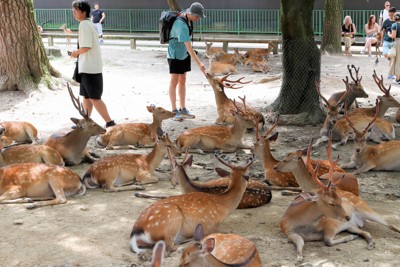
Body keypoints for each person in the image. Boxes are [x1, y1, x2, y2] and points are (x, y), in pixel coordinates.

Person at [70, 0, 115, 128]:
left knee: (94, 97)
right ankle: (85, 121)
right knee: (87, 96)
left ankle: (110, 122)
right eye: (73, 11)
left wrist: (75, 53)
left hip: (89, 68)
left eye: (76, 10)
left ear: (84, 11)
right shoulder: (88, 24)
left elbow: (86, 47)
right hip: (89, 67)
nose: (74, 13)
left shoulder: (84, 25)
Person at [167, 2, 206, 120]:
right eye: (196, 16)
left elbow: (187, 50)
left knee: (183, 80)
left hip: (183, 54)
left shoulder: (188, 19)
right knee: (174, 81)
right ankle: (174, 111)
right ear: (190, 13)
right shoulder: (181, 25)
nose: (197, 19)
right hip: (175, 55)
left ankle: (182, 108)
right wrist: (200, 64)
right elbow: (190, 48)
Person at [381, 6, 396, 73]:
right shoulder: (386, 21)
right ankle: (389, 58)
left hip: (394, 41)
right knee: (385, 53)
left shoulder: (396, 21)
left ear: (394, 13)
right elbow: (383, 31)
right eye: (389, 13)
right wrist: (381, 40)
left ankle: (390, 73)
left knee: (392, 58)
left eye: (391, 13)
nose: (390, 14)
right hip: (386, 40)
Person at [388, 12, 400, 84]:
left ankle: (398, 79)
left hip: (397, 43)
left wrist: (389, 34)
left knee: (397, 61)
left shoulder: (394, 25)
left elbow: (393, 36)